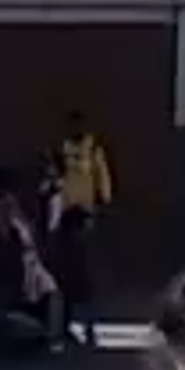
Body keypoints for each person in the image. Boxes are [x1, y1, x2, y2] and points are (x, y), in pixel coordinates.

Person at [48, 113, 115, 349]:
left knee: (85, 271)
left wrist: (103, 201)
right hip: (64, 214)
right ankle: (64, 326)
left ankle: (89, 327)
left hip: (84, 214)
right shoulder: (60, 150)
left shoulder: (93, 148)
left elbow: (103, 180)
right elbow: (52, 179)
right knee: (64, 272)